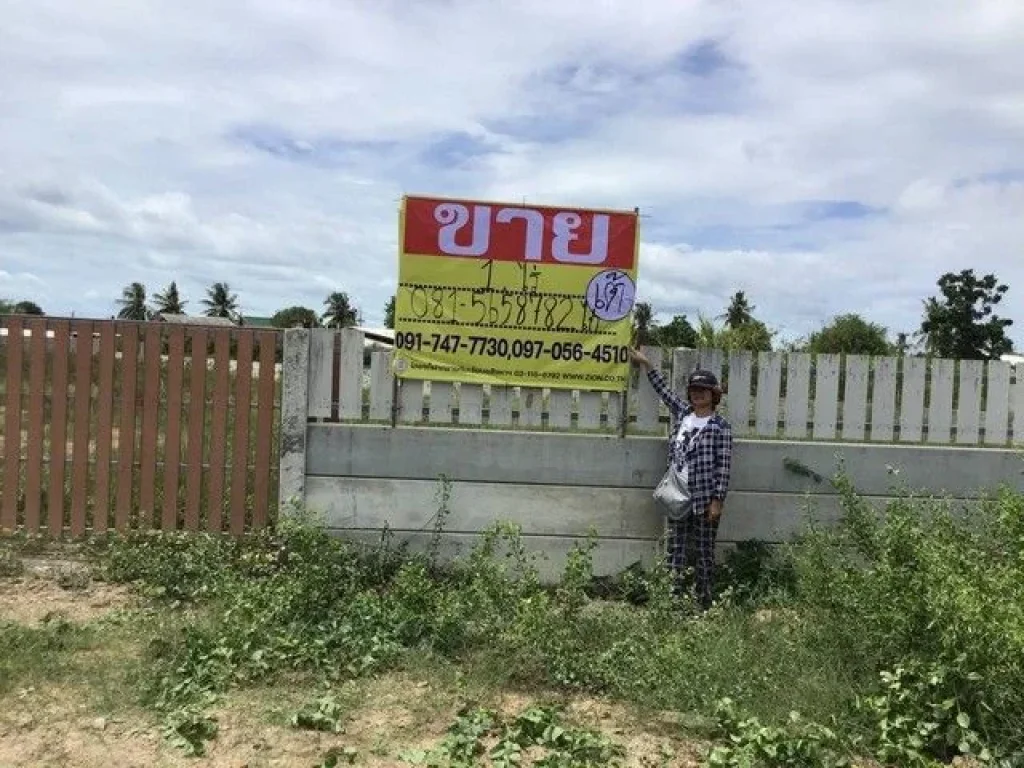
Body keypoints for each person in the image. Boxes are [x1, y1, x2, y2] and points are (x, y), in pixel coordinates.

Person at [628, 349, 733, 610]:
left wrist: (717, 500)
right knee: (675, 549)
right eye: (694, 389)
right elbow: (664, 391)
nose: (698, 394)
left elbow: (724, 466)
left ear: (713, 395)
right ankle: (671, 602)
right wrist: (646, 364)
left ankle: (703, 603)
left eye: (704, 390)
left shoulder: (720, 427)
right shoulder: (684, 414)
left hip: (704, 498)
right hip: (677, 494)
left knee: (703, 552)